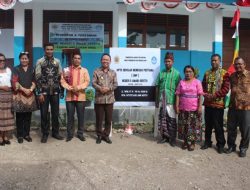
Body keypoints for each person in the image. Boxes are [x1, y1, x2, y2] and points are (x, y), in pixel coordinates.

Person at [201, 54, 230, 153]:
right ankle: (207, 142)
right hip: (208, 104)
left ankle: (220, 145)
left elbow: (226, 88)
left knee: (218, 126)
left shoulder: (225, 73)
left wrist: (215, 95)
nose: (214, 62)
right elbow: (203, 86)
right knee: (208, 125)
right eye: (212, 60)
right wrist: (205, 94)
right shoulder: (207, 73)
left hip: (218, 105)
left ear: (220, 61)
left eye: (216, 60)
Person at [35, 43, 64, 143]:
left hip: (55, 91)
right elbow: (37, 77)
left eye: (51, 49)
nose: (49, 51)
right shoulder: (40, 61)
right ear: (44, 50)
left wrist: (62, 90)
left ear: (53, 50)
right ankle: (45, 133)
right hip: (44, 92)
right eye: (47, 49)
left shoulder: (57, 62)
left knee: (55, 113)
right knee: (44, 114)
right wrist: (39, 92)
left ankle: (55, 132)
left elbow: (61, 76)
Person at [61, 52, 90, 142]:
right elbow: (62, 81)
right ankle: (70, 134)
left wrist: (78, 88)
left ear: (81, 60)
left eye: (78, 58)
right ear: (72, 59)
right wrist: (69, 88)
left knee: (81, 116)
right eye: (75, 58)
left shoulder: (84, 70)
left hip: (81, 97)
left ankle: (80, 133)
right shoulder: (66, 70)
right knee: (70, 116)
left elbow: (87, 81)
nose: (77, 60)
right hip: (69, 97)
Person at [225, 57, 250, 157]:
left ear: (244, 65)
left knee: (245, 129)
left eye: (240, 64)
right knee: (231, 128)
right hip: (233, 106)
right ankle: (231, 146)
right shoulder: (232, 76)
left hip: (246, 108)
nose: (238, 66)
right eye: (236, 64)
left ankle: (243, 148)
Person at [155, 52, 181, 147]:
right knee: (163, 119)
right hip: (162, 101)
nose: (167, 63)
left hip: (171, 101)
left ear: (172, 62)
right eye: (165, 61)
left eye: (169, 61)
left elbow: (179, 88)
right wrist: (156, 100)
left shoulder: (177, 74)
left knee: (172, 120)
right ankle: (164, 137)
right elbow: (157, 86)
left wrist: (177, 103)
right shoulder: (161, 73)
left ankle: (172, 139)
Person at [12, 52, 38, 143]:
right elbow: (15, 81)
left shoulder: (32, 69)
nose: (24, 60)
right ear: (20, 59)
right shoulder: (16, 69)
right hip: (20, 95)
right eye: (22, 58)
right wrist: (24, 89)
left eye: (26, 58)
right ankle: (19, 135)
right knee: (19, 116)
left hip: (30, 95)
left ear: (29, 60)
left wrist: (30, 89)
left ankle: (26, 134)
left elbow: (34, 80)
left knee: (28, 116)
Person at [175, 65, 203, 151]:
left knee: (193, 127)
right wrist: (176, 106)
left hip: (194, 109)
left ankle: (192, 143)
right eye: (186, 71)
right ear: (184, 73)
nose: (188, 73)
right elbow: (178, 95)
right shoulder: (181, 82)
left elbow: (200, 95)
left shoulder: (197, 82)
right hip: (183, 109)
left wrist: (200, 107)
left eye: (190, 71)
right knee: (184, 126)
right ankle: (185, 142)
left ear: (193, 73)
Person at [92, 53, 118, 144]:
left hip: (110, 99)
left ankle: (106, 135)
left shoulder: (113, 72)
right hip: (99, 99)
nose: (105, 61)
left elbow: (115, 84)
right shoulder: (96, 71)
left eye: (107, 60)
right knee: (99, 119)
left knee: (108, 119)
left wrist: (108, 89)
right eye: (104, 59)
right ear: (101, 61)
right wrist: (100, 89)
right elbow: (93, 83)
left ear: (110, 61)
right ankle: (99, 135)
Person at [0, 53, 14, 146]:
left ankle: (5, 136)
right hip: (0, 95)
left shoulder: (8, 70)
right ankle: (0, 137)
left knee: (7, 117)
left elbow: (12, 82)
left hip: (8, 96)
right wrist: (1, 87)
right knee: (0, 117)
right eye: (0, 60)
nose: (2, 62)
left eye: (3, 60)